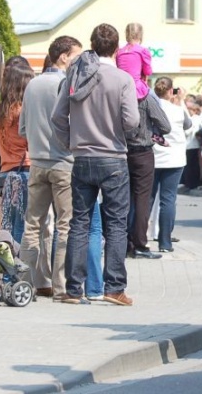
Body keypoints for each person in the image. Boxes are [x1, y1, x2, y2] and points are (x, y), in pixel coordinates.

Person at [51, 23, 140, 305]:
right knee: (115, 224)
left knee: (79, 222)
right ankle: (114, 288)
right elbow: (131, 121)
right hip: (113, 157)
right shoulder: (122, 79)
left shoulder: (74, 77)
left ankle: (74, 289)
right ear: (116, 48)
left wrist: (70, 142)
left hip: (82, 157)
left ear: (91, 44)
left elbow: (57, 117)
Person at [19, 35, 82, 298]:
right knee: (65, 225)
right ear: (64, 56)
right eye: (76, 56)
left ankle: (24, 282)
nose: (79, 61)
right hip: (64, 163)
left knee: (32, 224)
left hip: (37, 163)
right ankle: (61, 287)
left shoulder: (32, 84)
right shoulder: (67, 84)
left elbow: (23, 128)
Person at [124, 73, 171, 260]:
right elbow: (166, 126)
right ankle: (140, 245)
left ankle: (124, 243)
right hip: (143, 153)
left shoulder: (119, 96)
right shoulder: (146, 98)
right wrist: (153, 131)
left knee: (123, 200)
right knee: (142, 200)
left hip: (121, 152)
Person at [0, 56, 34, 243]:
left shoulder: (0, 109)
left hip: (6, 172)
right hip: (23, 169)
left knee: (8, 224)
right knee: (21, 228)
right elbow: (29, 140)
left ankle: (7, 270)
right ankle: (14, 271)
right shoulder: (21, 110)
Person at [151, 77, 190, 253]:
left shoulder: (151, 107)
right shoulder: (178, 111)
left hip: (153, 158)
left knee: (147, 199)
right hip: (174, 159)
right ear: (170, 91)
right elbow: (188, 126)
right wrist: (181, 101)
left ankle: (139, 239)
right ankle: (165, 242)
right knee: (168, 200)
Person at [116, 23, 153, 100]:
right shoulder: (142, 51)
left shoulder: (120, 52)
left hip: (120, 89)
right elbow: (148, 72)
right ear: (141, 35)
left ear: (126, 34)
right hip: (136, 89)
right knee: (157, 101)